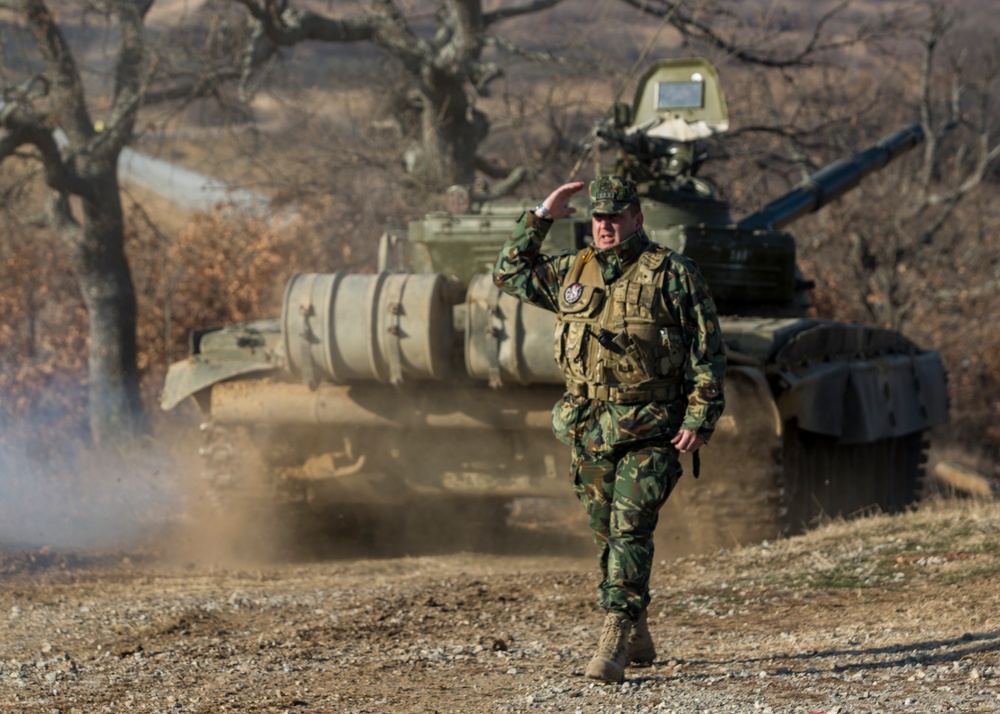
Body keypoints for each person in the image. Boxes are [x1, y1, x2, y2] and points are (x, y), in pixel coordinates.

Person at [492, 175, 726, 683]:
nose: (605, 225)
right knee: (605, 533)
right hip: (589, 427)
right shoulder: (573, 272)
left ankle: (615, 633)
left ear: (637, 219)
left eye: (615, 216)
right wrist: (543, 213)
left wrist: (699, 418)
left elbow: (708, 355)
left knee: (630, 526)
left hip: (652, 427)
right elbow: (508, 273)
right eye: (598, 217)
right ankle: (638, 622)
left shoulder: (673, 274)